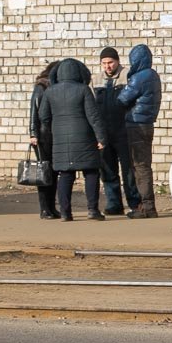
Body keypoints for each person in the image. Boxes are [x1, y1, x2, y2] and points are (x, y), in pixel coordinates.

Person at [38, 57, 108, 221]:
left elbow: (43, 116)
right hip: (85, 138)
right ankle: (92, 210)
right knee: (91, 172)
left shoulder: (50, 91)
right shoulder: (83, 89)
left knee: (65, 174)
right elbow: (93, 117)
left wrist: (54, 129)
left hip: (60, 139)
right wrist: (101, 137)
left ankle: (65, 212)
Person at [94, 46, 141, 217]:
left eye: (110, 62)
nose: (107, 66)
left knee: (128, 170)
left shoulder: (127, 77)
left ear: (117, 62)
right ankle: (114, 204)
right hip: (105, 132)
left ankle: (134, 203)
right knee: (108, 170)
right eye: (104, 63)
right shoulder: (96, 80)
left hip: (124, 130)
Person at [117, 44, 161, 219]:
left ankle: (147, 206)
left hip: (136, 125)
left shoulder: (140, 77)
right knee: (144, 165)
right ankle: (146, 205)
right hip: (147, 123)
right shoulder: (153, 75)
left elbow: (123, 99)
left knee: (140, 167)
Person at [28, 61, 60, 219]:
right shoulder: (41, 88)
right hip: (41, 136)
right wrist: (33, 133)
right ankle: (44, 209)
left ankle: (52, 207)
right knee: (43, 173)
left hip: (52, 135)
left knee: (53, 173)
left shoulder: (53, 88)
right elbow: (33, 111)